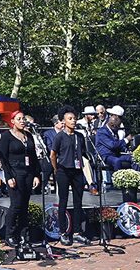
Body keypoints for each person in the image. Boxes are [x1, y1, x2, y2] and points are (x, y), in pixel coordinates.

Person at [50, 105, 91, 246]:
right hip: (63, 170)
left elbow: (83, 153)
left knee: (78, 201)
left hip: (77, 170)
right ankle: (63, 232)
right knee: (63, 201)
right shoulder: (59, 136)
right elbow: (53, 154)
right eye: (70, 118)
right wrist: (56, 169)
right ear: (63, 121)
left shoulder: (79, 136)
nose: (73, 121)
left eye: (74, 118)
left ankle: (78, 231)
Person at [0, 110, 40, 247]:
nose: (22, 121)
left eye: (23, 119)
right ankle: (9, 234)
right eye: (19, 119)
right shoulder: (7, 136)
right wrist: (9, 176)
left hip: (27, 172)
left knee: (24, 206)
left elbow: (33, 157)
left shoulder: (28, 136)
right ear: (12, 121)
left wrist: (36, 175)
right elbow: (3, 158)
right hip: (15, 173)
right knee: (16, 205)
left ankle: (23, 234)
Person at [96, 107, 133, 172]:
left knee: (134, 158)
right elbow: (112, 145)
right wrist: (126, 140)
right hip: (105, 156)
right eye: (117, 125)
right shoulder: (101, 132)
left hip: (115, 155)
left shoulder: (114, 131)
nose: (118, 127)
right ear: (112, 123)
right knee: (117, 161)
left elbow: (118, 145)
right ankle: (118, 180)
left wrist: (126, 150)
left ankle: (136, 177)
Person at [42, 115, 64, 193]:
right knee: (47, 167)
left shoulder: (66, 133)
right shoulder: (48, 133)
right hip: (52, 156)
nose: (63, 125)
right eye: (61, 123)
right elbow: (50, 147)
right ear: (55, 124)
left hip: (65, 157)